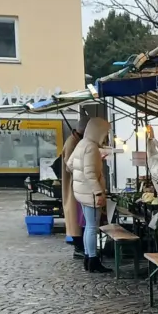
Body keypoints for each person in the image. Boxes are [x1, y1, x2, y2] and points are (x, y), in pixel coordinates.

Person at [68, 117, 111, 274]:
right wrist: (98, 192)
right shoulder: (91, 147)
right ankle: (93, 260)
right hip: (90, 194)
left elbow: (70, 164)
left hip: (81, 192)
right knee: (92, 227)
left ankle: (88, 257)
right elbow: (90, 173)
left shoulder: (82, 143)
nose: (106, 136)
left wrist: (79, 175)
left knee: (88, 226)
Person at [61, 122, 86, 256]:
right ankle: (79, 247)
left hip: (76, 184)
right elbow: (70, 165)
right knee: (75, 217)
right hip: (73, 184)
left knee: (78, 217)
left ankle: (81, 246)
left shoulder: (76, 141)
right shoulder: (72, 142)